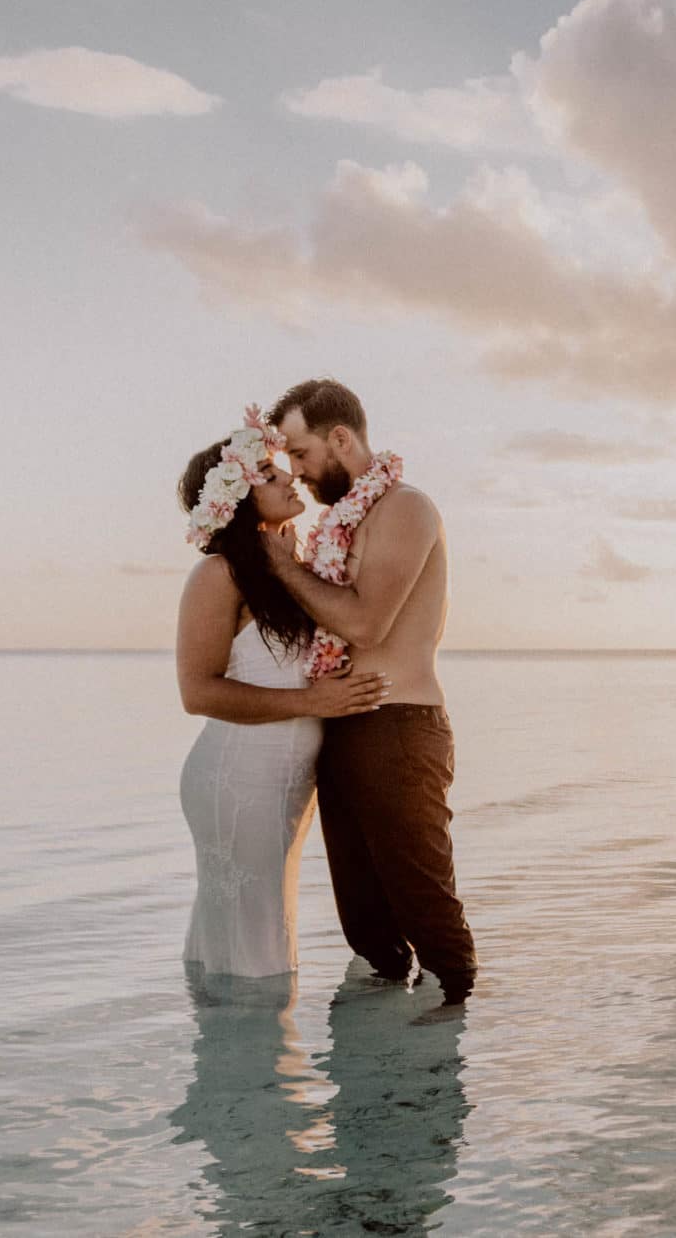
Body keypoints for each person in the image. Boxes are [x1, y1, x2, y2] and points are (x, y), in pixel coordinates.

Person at [260, 378, 478, 1007]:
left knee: (426, 910)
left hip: (399, 727)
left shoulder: (405, 508)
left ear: (341, 438)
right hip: (346, 728)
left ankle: (441, 1073)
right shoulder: (338, 528)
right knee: (366, 925)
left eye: (301, 454)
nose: (296, 473)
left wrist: (284, 566)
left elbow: (363, 622)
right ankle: (375, 1081)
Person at [175, 407, 390, 980]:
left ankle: (250, 1059)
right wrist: (312, 704)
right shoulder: (219, 575)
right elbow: (197, 692)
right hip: (238, 775)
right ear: (238, 502)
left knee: (265, 927)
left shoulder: (288, 570)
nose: (290, 476)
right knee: (252, 944)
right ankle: (246, 1057)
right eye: (270, 475)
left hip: (286, 783)